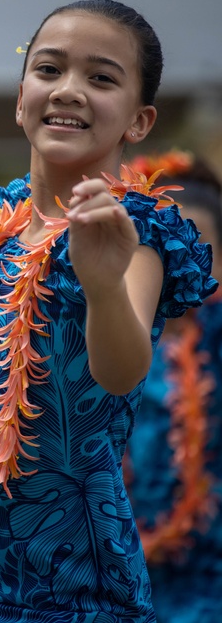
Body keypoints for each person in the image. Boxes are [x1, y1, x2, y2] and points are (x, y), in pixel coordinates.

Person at [0, 0, 217, 621]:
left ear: (139, 122)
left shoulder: (132, 230)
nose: (69, 91)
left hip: (75, 581)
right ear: (19, 98)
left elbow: (121, 370)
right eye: (49, 69)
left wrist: (103, 282)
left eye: (101, 78)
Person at [125, 151, 222, 622]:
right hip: (123, 567)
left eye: (199, 249)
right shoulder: (119, 336)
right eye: (162, 248)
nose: (182, 265)